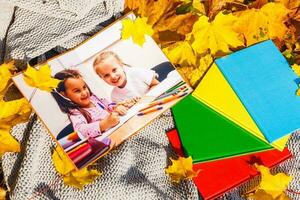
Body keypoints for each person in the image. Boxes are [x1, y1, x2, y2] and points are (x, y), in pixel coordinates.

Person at [51, 69, 127, 139]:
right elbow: (80, 131)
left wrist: (116, 107)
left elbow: (107, 105)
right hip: (109, 138)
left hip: (119, 130)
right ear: (64, 95)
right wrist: (104, 124)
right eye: (77, 91)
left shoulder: (93, 98)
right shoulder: (75, 113)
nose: (84, 93)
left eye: (84, 87)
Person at [93, 51, 160, 103]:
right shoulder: (114, 96)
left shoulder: (136, 72)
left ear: (121, 65)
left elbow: (157, 84)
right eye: (106, 75)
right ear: (102, 78)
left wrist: (144, 100)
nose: (113, 76)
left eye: (114, 70)